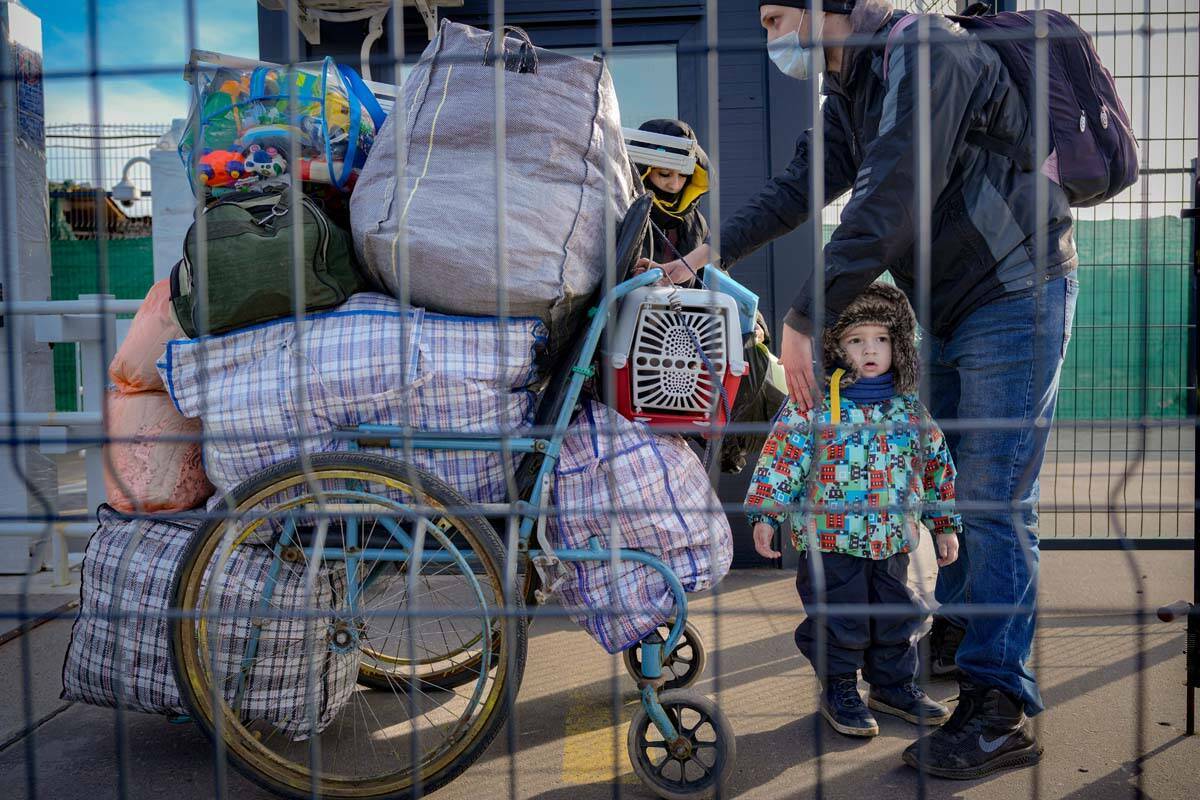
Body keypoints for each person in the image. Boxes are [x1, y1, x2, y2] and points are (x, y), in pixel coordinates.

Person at [644, 0, 1078, 779]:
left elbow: (892, 195)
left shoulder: (928, 54)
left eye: (779, 17)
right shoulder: (850, 88)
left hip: (1017, 289)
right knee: (950, 478)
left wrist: (811, 313)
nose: (770, 36)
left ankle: (1000, 707)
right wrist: (700, 256)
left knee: (992, 497)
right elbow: (796, 188)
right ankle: (961, 642)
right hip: (952, 300)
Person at [746, 283, 960, 738]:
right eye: (855, 339)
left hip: (891, 539)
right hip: (830, 540)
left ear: (897, 345)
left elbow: (936, 467)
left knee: (894, 614)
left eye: (881, 339)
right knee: (838, 616)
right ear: (835, 347)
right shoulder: (813, 405)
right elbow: (781, 457)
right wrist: (766, 513)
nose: (869, 349)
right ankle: (840, 688)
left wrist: (943, 523)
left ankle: (894, 685)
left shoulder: (909, 411)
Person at [633, 118, 711, 265]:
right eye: (664, 173)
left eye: (683, 175)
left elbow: (716, 278)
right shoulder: (619, 213)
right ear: (642, 172)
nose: (675, 185)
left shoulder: (697, 222)